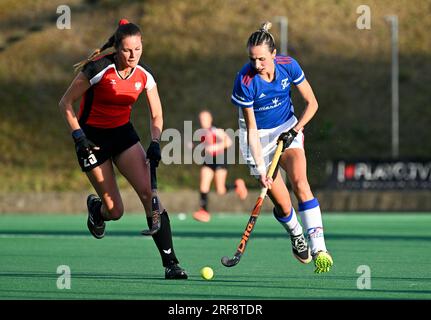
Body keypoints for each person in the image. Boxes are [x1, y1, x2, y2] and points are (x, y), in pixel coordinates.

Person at [58, 19, 188, 279]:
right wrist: (78, 136)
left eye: (138, 49)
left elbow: (157, 115)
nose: (133, 56)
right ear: (117, 49)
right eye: (128, 50)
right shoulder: (98, 69)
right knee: (115, 211)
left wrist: (154, 142)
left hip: (122, 135)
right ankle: (97, 210)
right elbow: (65, 103)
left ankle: (171, 264)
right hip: (91, 139)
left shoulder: (145, 75)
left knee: (148, 195)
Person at [230, 21, 333, 273]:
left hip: (288, 128)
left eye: (262, 59)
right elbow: (252, 129)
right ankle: (297, 233)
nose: (256, 65)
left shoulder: (289, 66)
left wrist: (294, 130)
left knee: (300, 182)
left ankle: (319, 247)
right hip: (257, 140)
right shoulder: (245, 81)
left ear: (274, 54)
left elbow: (312, 103)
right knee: (284, 204)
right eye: (252, 59)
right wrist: (260, 167)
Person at [192, 110, 248, 223]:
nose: (202, 121)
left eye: (205, 119)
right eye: (201, 119)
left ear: (210, 119)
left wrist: (215, 147)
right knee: (203, 186)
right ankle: (204, 211)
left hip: (220, 160)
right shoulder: (201, 132)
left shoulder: (216, 131)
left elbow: (229, 142)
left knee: (220, 190)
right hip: (208, 161)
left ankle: (237, 185)